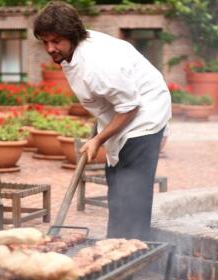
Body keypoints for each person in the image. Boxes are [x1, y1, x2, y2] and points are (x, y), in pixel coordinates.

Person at [33, 1, 171, 240]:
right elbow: (109, 100)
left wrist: (98, 139)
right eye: (45, 42)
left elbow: (130, 107)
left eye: (56, 41)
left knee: (134, 191)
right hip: (126, 109)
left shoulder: (98, 65)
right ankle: (115, 245)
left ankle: (134, 254)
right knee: (117, 183)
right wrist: (98, 130)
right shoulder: (76, 50)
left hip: (145, 115)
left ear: (72, 35)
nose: (50, 48)